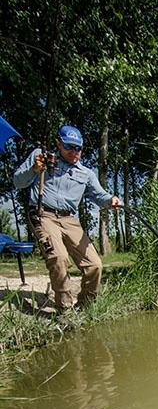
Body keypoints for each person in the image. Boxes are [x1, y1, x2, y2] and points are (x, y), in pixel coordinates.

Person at [13, 125, 122, 311]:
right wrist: (34, 169)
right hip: (42, 214)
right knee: (59, 257)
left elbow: (99, 195)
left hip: (69, 219)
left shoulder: (85, 173)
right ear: (59, 144)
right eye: (69, 146)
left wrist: (111, 200)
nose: (74, 152)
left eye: (78, 148)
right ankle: (65, 310)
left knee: (94, 264)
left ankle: (85, 308)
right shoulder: (41, 156)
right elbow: (18, 181)